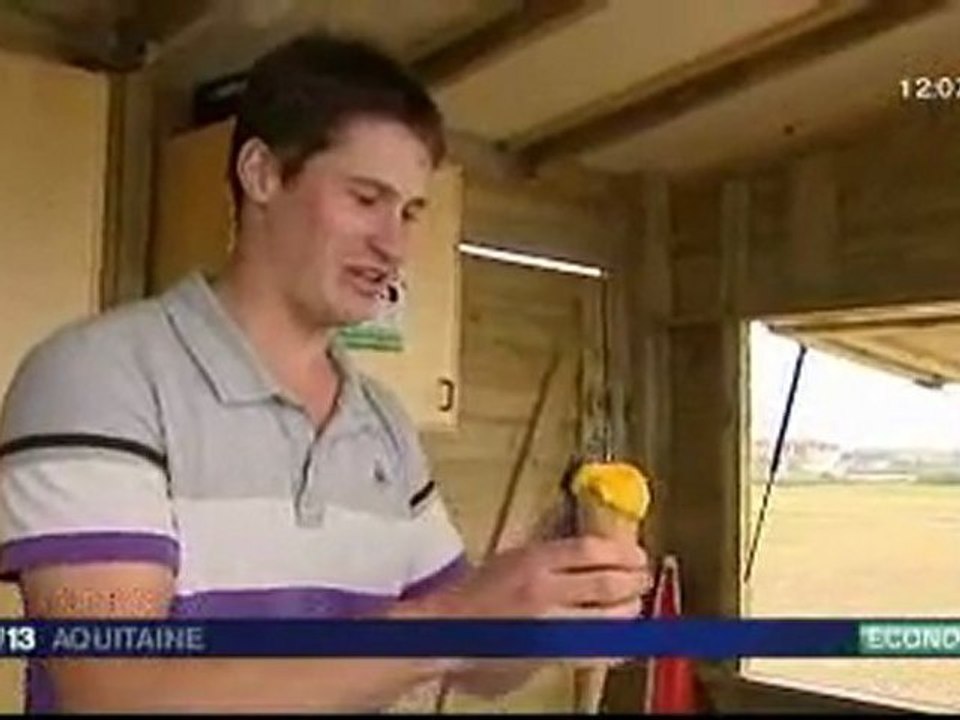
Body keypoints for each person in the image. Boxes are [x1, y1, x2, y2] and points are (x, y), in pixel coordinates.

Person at [0, 31, 652, 713]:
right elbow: (116, 694)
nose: (394, 244)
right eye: (366, 198)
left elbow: (475, 666)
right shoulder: (97, 379)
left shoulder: (384, 426)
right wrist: (443, 625)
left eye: (409, 211)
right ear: (262, 175)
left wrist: (545, 594)